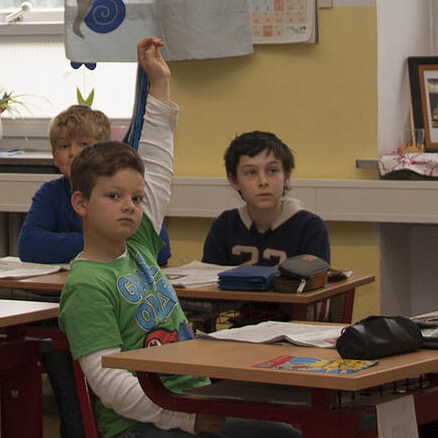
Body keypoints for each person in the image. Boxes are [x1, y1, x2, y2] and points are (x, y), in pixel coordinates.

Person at [59, 37, 299, 438]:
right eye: (114, 196)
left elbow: (155, 162)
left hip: (195, 403)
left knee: (288, 434)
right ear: (80, 202)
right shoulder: (86, 286)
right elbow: (111, 386)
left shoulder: (138, 246)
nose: (130, 206)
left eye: (136, 198)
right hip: (142, 426)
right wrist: (187, 419)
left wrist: (161, 83)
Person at [18, 105, 172, 266]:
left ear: (104, 151)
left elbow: (160, 250)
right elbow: (29, 245)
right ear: (54, 157)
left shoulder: (127, 190)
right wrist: (103, 241)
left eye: (83, 144)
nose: (73, 152)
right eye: (64, 146)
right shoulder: (50, 192)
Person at [202, 131, 330, 267]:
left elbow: (316, 283)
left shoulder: (310, 228)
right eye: (251, 172)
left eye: (272, 171)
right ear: (233, 180)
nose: (263, 182)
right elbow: (208, 284)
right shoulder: (224, 226)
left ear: (286, 176)